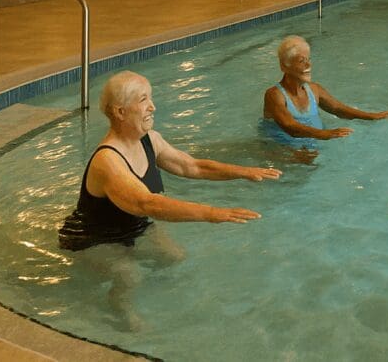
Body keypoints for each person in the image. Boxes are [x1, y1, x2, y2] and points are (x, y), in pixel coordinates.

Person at [58, 70, 282, 327]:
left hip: (134, 224)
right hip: (91, 237)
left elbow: (193, 167)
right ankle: (119, 307)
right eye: (143, 100)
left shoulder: (150, 140)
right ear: (120, 112)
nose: (153, 106)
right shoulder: (107, 161)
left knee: (174, 256)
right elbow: (148, 204)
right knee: (129, 275)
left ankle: (148, 289)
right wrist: (212, 213)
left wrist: (244, 172)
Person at [263, 35, 388, 140]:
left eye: (309, 59)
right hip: (283, 150)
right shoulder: (274, 95)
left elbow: (338, 109)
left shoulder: (314, 89)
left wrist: (372, 116)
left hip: (313, 143)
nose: (308, 65)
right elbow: (290, 127)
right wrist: (324, 134)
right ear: (284, 66)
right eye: (302, 61)